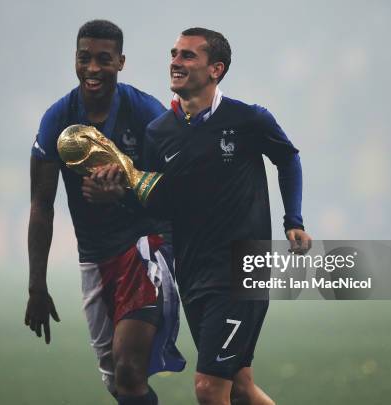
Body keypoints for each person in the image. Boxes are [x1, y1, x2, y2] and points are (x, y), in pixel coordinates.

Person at [90, 27, 311, 405]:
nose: (176, 62)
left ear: (216, 69)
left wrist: (294, 220)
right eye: (174, 54)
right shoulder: (158, 132)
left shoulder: (248, 119)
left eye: (188, 56)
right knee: (239, 387)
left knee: (210, 389)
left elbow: (288, 158)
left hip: (243, 267)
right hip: (192, 272)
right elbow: (158, 202)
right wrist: (118, 193)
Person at [24, 19, 184, 405]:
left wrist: (125, 192)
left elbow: (179, 189)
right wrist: (36, 286)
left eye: (103, 59)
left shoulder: (146, 113)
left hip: (145, 247)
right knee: (119, 383)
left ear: (121, 62)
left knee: (129, 368)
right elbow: (41, 206)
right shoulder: (56, 121)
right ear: (75, 60)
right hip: (95, 258)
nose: (92, 68)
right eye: (84, 58)